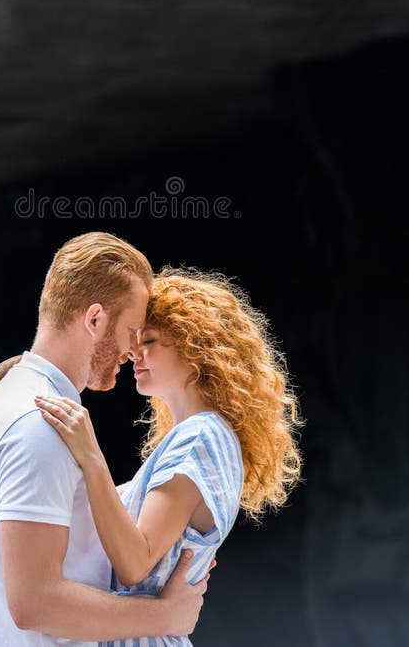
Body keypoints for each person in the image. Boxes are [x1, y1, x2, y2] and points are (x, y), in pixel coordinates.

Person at [0, 233, 211, 647]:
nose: (134, 351)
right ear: (94, 319)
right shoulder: (40, 425)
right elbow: (36, 603)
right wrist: (166, 615)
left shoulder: (15, 401)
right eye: (132, 331)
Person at [36, 266, 304, 646]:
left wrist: (91, 456)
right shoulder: (198, 437)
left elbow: (134, 563)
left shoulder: (200, 439)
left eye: (150, 340)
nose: (133, 353)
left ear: (195, 346)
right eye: (136, 340)